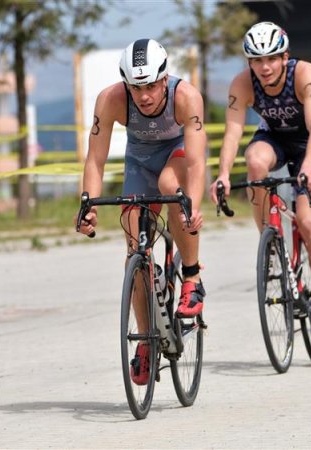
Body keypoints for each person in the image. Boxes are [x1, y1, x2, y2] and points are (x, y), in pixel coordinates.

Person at [76, 39, 207, 384]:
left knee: (171, 188)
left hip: (176, 156)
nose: (144, 95)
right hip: (138, 160)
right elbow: (95, 159)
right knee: (134, 251)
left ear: (164, 79)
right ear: (126, 85)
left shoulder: (186, 97)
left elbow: (195, 162)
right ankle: (145, 343)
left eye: (150, 85)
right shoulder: (111, 99)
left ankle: (191, 278)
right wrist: (87, 204)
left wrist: (191, 204)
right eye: (136, 87)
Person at [209, 21, 311, 344]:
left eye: (271, 59)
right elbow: (233, 132)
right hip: (274, 139)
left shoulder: (304, 74)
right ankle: (269, 239)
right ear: (249, 62)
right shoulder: (243, 83)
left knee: (309, 223)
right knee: (254, 161)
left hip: (309, 145)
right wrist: (223, 173)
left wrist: (308, 167)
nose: (264, 67)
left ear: (285, 57)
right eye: (256, 60)